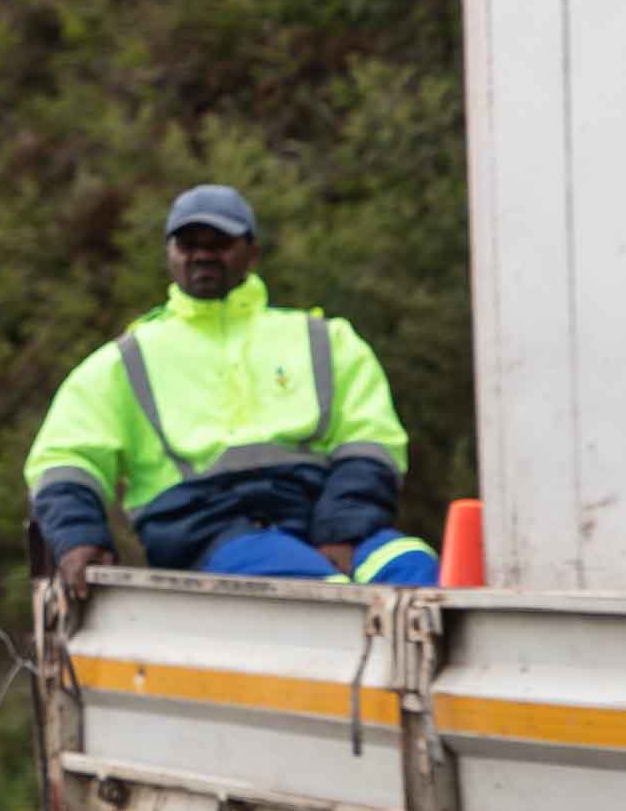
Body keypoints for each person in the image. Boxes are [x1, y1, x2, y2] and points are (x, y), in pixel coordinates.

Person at [24, 183, 434, 606]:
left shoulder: (325, 340)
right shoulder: (125, 361)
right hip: (208, 533)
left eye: (219, 242)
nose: (202, 254)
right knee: (324, 597)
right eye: (188, 244)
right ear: (169, 255)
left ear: (251, 253)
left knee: (413, 568)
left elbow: (372, 443)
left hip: (323, 517)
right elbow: (64, 459)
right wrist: (78, 538)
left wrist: (342, 531)